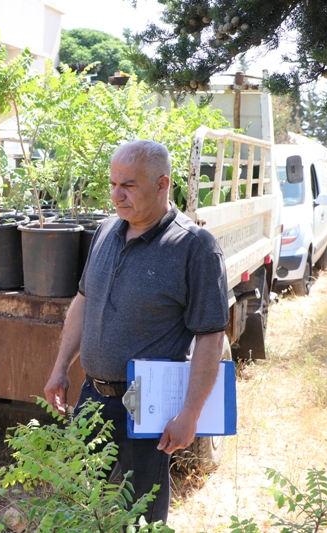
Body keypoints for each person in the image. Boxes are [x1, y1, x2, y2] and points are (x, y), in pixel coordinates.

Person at [43, 139, 229, 524]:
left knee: (139, 514)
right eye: (112, 184)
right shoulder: (107, 230)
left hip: (146, 404)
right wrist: (61, 366)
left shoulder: (194, 248)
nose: (116, 196)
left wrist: (190, 414)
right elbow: (83, 299)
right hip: (92, 395)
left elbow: (210, 337)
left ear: (163, 185)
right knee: (79, 503)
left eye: (128, 185)